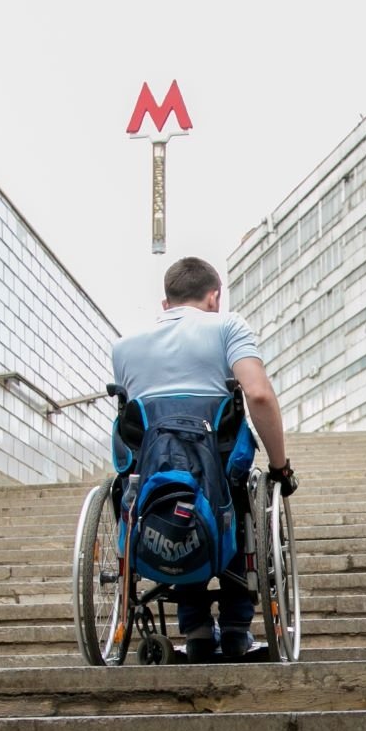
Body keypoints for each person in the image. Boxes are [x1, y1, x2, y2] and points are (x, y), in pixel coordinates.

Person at [111, 257, 296, 662]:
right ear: (215, 297)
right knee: (230, 491)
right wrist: (281, 467)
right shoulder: (228, 327)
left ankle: (195, 630)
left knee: (172, 493)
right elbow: (259, 395)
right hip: (218, 473)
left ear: (166, 304)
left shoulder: (123, 348)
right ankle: (234, 629)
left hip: (153, 478)